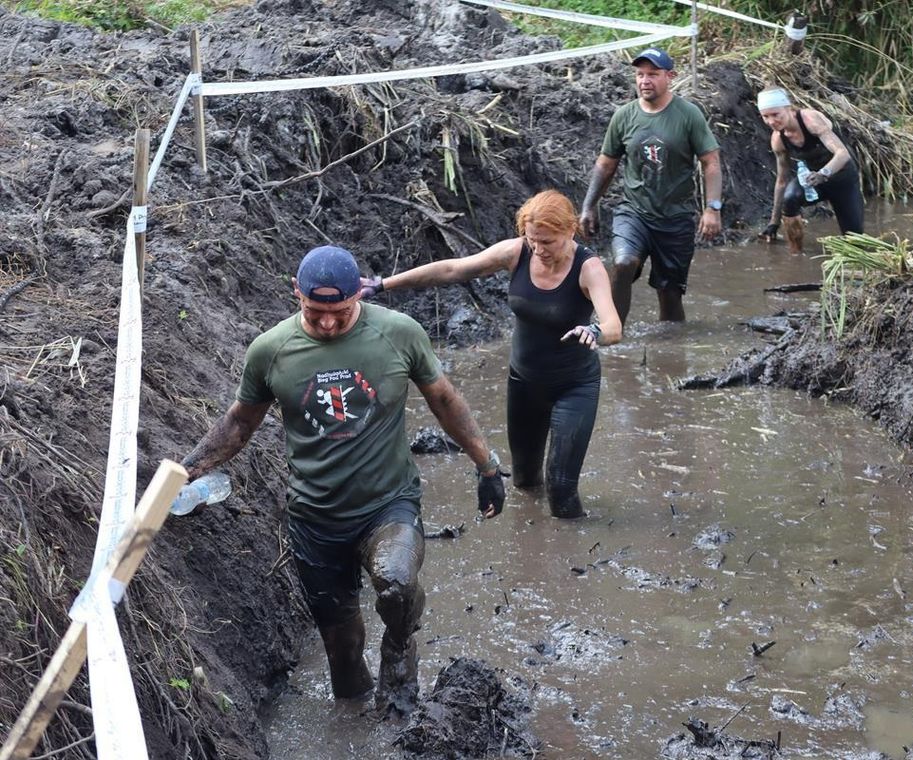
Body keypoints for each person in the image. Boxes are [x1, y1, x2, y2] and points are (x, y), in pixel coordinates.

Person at [179, 245, 506, 715]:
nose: (328, 324)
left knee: (395, 582)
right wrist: (185, 471)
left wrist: (487, 465)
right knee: (344, 656)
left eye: (340, 311)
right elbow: (239, 423)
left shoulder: (398, 333)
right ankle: (354, 725)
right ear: (296, 294)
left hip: (388, 504)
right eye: (315, 312)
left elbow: (446, 401)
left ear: (359, 295)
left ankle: (399, 657)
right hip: (316, 519)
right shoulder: (270, 350)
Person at [362, 190, 621, 519]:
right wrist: (383, 284)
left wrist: (595, 330)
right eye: (533, 240)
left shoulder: (589, 268)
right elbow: (453, 269)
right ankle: (533, 550)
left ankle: (571, 560)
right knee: (525, 484)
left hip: (575, 387)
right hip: (524, 384)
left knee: (561, 491)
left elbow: (614, 325)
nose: (539, 250)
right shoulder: (516, 253)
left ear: (570, 230)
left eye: (548, 242)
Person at [579, 47, 722, 324]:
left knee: (669, 295)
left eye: (653, 74)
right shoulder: (624, 116)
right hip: (634, 211)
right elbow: (606, 163)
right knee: (622, 263)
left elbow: (711, 162)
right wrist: (588, 205)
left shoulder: (688, 115)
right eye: (640, 74)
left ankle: (671, 350)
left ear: (670, 76)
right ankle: (612, 331)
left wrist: (712, 208)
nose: (645, 80)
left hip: (675, 218)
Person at [757, 87, 864, 253]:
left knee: (855, 244)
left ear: (789, 108)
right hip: (815, 181)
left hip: (842, 179)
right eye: (765, 116)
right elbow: (782, 180)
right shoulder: (778, 139)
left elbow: (843, 154)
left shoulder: (809, 120)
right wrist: (774, 222)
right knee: (790, 198)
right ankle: (796, 255)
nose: (771, 122)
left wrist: (824, 173)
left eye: (776, 114)